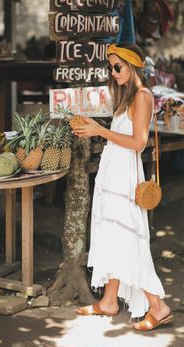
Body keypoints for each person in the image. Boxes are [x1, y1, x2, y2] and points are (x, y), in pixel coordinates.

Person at [73, 43, 173, 331]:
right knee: (111, 234)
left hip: (126, 177)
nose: (114, 72)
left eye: (118, 66)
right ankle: (109, 301)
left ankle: (158, 306)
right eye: (111, 67)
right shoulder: (127, 97)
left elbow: (138, 143)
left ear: (133, 66)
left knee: (128, 240)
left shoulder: (141, 96)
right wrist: (98, 127)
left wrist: (99, 130)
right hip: (113, 173)